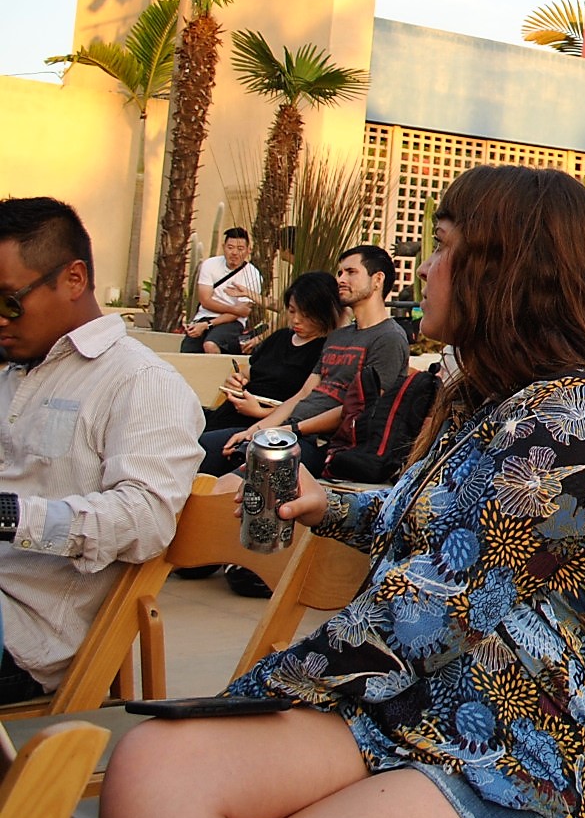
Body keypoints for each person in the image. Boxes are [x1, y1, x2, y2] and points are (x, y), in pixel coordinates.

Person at [100, 164, 585, 818]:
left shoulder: (582, 421)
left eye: (443, 245)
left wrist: (257, 690)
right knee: (158, 765)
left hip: (528, 755)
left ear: (505, 268)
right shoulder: (494, 400)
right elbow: (446, 528)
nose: (424, 268)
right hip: (412, 706)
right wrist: (328, 506)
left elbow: (441, 600)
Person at [0, 198, 201, 704]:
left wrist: (12, 515)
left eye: (8, 302)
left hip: (25, 632)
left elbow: (146, 517)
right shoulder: (14, 371)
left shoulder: (140, 381)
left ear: (73, 279)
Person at [210, 246, 407, 480]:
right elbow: (303, 394)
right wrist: (256, 430)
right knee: (199, 450)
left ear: (377, 280)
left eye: (351, 272)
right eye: (340, 273)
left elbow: (359, 410)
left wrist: (292, 429)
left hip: (320, 444)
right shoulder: (339, 337)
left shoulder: (388, 338)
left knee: (232, 483)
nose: (340, 279)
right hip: (287, 432)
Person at [195, 270, 341, 475]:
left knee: (201, 448)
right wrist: (237, 380)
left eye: (306, 315)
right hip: (231, 413)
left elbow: (308, 404)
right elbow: (251, 371)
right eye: (292, 311)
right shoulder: (279, 338)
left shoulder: (326, 350)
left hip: (268, 425)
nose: (296, 320)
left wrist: (259, 413)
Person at [181, 227, 263, 354]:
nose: (234, 252)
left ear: (248, 250)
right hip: (204, 317)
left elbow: (240, 313)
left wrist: (208, 324)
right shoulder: (209, 265)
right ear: (223, 247)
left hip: (232, 322)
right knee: (188, 351)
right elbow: (205, 301)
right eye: (230, 247)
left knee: (211, 344)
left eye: (240, 249)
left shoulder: (253, 274)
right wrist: (235, 309)